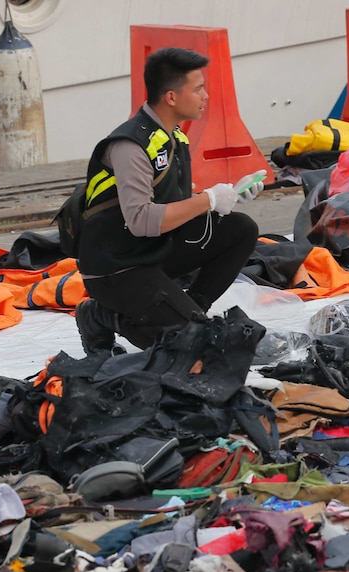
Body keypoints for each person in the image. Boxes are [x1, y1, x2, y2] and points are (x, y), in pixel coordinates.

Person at [74, 47, 263, 355]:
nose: (206, 96)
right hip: (117, 267)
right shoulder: (130, 145)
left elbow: (174, 204)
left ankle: (192, 310)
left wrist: (229, 197)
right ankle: (100, 315)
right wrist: (208, 199)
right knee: (191, 350)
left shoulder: (173, 137)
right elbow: (141, 220)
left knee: (239, 228)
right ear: (172, 97)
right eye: (198, 89)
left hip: (152, 251)